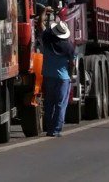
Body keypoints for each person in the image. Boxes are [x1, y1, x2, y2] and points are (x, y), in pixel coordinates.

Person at [40, 9, 75, 137]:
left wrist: (44, 12)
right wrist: (70, 75)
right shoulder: (69, 47)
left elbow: (41, 25)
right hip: (63, 78)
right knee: (61, 104)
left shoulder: (47, 40)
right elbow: (72, 63)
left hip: (48, 76)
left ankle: (49, 128)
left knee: (49, 103)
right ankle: (56, 129)